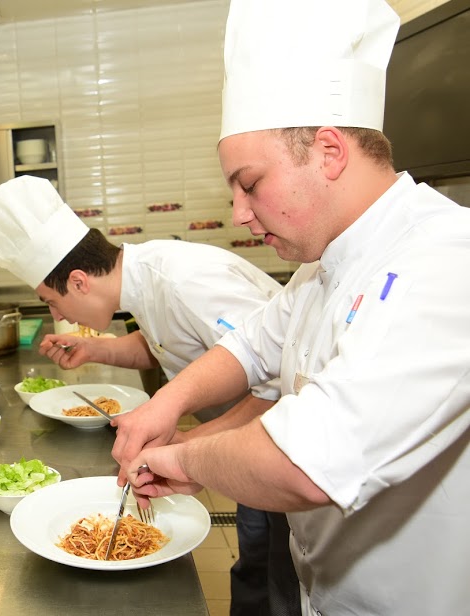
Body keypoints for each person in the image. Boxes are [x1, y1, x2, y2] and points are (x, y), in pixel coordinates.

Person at [115, 0, 470, 614]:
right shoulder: (321, 265)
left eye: (250, 184)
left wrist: (185, 456)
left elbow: (307, 461)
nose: (240, 214)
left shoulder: (445, 260)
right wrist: (168, 405)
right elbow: (251, 347)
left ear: (330, 152)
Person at [0, 175, 301, 615]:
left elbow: (280, 381)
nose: (57, 315)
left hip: (288, 450)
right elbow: (167, 347)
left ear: (77, 281)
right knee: (255, 568)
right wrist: (96, 347)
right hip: (245, 446)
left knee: (282, 582)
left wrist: (196, 446)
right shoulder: (140, 282)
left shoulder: (187, 281)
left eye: (51, 302)